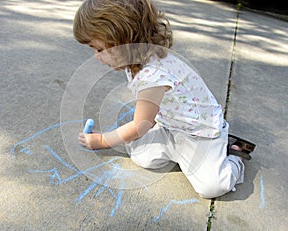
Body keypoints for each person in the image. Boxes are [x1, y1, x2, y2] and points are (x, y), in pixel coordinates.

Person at [74, 0, 255, 198]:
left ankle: (233, 155)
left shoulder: (153, 75)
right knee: (140, 155)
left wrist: (102, 140)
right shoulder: (139, 60)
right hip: (171, 127)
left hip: (200, 133)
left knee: (211, 187)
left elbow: (140, 126)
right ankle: (182, 154)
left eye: (99, 49)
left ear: (124, 39)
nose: (96, 56)